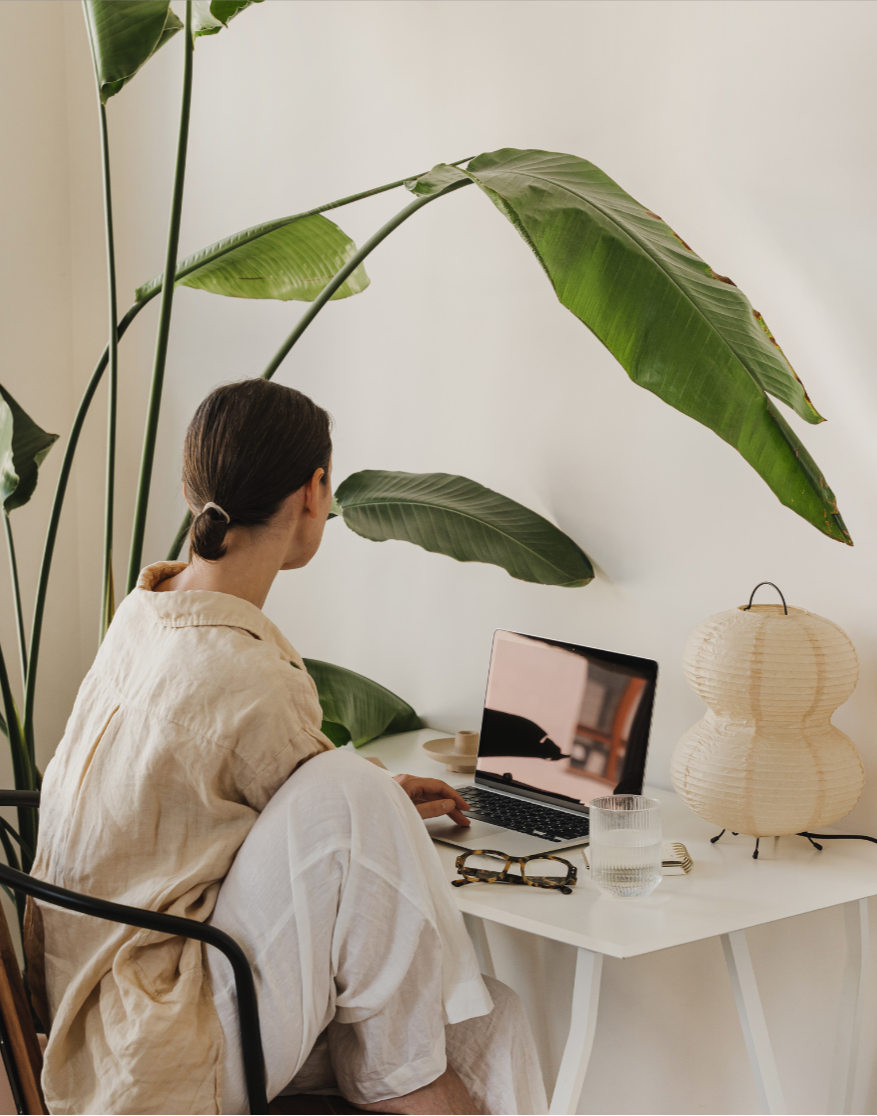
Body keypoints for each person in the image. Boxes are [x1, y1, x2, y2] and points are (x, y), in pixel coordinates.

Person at [27, 380, 548, 1116]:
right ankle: (404, 1082)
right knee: (354, 794)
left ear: (190, 485)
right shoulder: (246, 671)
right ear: (313, 492)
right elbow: (324, 805)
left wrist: (378, 800)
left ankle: (408, 1073)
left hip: (89, 1005)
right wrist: (373, 799)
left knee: (492, 1019)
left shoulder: (147, 610)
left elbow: (249, 796)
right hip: (164, 1037)